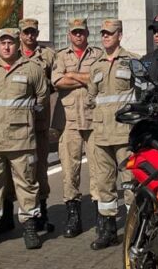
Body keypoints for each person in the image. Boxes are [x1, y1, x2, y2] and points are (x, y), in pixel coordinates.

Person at [0, 28, 49, 251]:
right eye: (2, 42)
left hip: (21, 139)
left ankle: (30, 227)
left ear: (18, 44)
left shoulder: (32, 68)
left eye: (11, 43)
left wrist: (25, 118)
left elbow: (42, 97)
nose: (6, 47)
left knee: (26, 184)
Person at [86, 19, 139, 250]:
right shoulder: (96, 65)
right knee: (104, 184)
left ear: (120, 35)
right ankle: (107, 231)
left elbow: (141, 93)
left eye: (110, 33)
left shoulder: (132, 61)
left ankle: (135, 229)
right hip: (101, 134)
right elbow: (91, 97)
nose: (105, 37)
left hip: (124, 133)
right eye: (103, 34)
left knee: (129, 183)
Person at [51, 17, 103, 237]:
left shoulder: (98, 55)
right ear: (69, 35)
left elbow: (99, 79)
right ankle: (73, 216)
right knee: (70, 171)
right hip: (68, 121)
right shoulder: (61, 56)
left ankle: (101, 215)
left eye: (81, 32)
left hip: (93, 119)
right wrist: (85, 78)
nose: (78, 36)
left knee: (99, 170)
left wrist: (71, 75)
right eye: (74, 32)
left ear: (87, 33)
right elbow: (57, 81)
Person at [20, 17, 56, 232]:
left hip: (39, 123)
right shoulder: (11, 53)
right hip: (15, 125)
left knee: (40, 169)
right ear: (20, 34)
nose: (30, 36)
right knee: (15, 172)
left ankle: (41, 213)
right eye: (26, 32)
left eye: (33, 32)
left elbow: (57, 81)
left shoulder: (48, 56)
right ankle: (8, 214)